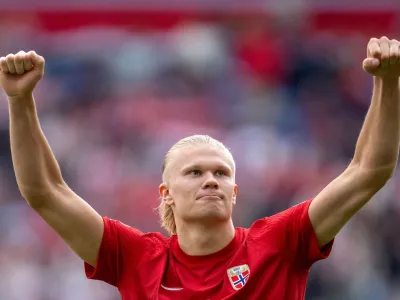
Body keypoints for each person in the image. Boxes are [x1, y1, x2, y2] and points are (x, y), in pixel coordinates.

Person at [1, 36, 399, 300]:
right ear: (166, 193)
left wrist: (388, 85)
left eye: (222, 174)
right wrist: (20, 102)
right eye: (194, 173)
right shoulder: (136, 257)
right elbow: (45, 192)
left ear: (235, 192)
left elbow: (367, 171)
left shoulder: (279, 242)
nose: (211, 180)